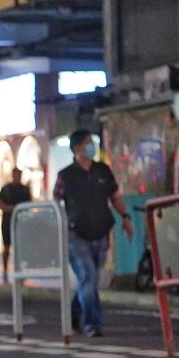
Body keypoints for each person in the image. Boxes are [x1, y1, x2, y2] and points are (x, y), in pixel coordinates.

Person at [53, 129, 133, 337]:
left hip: (100, 233)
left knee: (90, 280)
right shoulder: (66, 175)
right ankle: (92, 324)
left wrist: (126, 217)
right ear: (78, 147)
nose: (92, 146)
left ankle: (74, 312)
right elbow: (54, 203)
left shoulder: (103, 171)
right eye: (89, 143)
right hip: (76, 235)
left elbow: (115, 196)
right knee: (88, 276)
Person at [0, 167, 32, 281]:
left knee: (19, 247)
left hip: (21, 222)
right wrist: (10, 209)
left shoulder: (25, 190)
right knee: (6, 246)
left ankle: (20, 269)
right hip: (8, 221)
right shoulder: (6, 189)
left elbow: (28, 205)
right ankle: (5, 269)